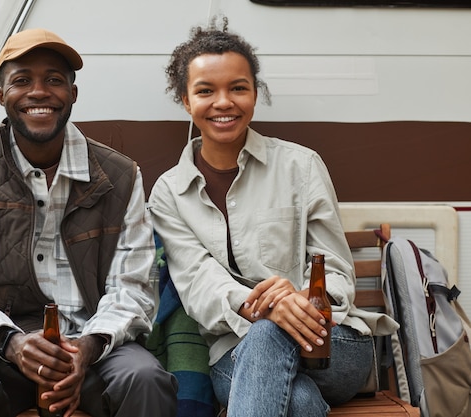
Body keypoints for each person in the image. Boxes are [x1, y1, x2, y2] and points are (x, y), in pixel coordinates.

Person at [148, 18, 398, 417]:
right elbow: (197, 283)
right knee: (296, 400)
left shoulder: (301, 166)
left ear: (255, 93)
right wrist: (261, 307)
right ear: (185, 99)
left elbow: (334, 269)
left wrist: (297, 303)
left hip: (332, 341)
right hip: (234, 352)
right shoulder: (168, 192)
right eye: (206, 91)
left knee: (271, 333)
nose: (224, 102)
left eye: (238, 88)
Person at [0, 28, 178, 417]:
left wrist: (86, 348)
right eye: (22, 80)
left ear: (72, 94)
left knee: (144, 378)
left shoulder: (120, 175)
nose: (39, 92)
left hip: (94, 348)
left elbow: (134, 289)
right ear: (1, 95)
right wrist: (13, 343)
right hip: (1, 349)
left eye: (54, 80)